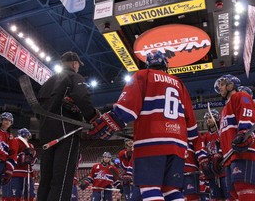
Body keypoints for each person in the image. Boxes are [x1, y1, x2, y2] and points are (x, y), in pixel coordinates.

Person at [88, 51, 205, 200]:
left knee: (150, 188)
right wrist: (195, 143)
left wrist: (110, 121)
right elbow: (191, 122)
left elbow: (127, 109)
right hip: (178, 145)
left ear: (148, 64)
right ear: (165, 64)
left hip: (152, 142)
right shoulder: (179, 83)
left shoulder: (142, 75)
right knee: (172, 190)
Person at [37, 51, 100, 201]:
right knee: (62, 177)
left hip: (46, 133)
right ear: (74, 63)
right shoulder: (74, 76)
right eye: (78, 65)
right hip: (67, 132)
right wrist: (93, 117)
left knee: (46, 178)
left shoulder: (48, 82)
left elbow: (38, 108)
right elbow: (82, 97)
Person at [214, 75, 255, 200]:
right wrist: (221, 154)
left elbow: (247, 116)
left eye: (222, 84)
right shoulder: (224, 109)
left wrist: (244, 132)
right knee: (233, 194)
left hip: (245, 152)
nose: (219, 87)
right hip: (230, 156)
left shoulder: (241, 96)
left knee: (245, 190)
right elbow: (225, 135)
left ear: (231, 85)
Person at [2, 128, 37, 201]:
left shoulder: (30, 145)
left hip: (26, 173)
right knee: (15, 194)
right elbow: (11, 156)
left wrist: (29, 157)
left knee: (26, 194)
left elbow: (33, 160)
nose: (28, 137)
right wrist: (23, 157)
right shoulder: (16, 142)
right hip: (17, 173)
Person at [202, 109, 229, 200]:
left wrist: (220, 153)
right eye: (207, 118)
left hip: (223, 170)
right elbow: (203, 151)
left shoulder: (222, 132)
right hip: (212, 172)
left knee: (229, 196)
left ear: (217, 118)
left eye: (210, 118)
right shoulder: (205, 136)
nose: (208, 120)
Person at [0, 112, 18, 190]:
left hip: (1, 164)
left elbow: (13, 154)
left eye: (9, 121)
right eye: (5, 119)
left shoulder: (11, 138)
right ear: (1, 120)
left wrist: (9, 169)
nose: (7, 122)